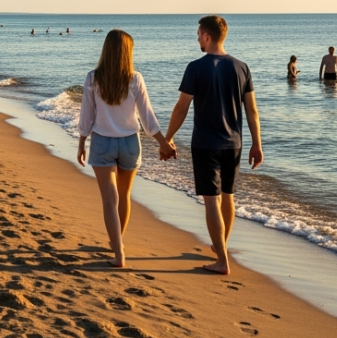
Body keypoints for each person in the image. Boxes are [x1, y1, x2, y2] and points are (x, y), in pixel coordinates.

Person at [162, 16, 263, 275]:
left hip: (206, 144)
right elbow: (251, 111)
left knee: (211, 202)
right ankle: (221, 248)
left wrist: (168, 138)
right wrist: (257, 144)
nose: (197, 38)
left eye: (198, 34)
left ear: (207, 36)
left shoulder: (196, 67)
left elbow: (181, 107)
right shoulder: (242, 67)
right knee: (228, 196)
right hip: (234, 144)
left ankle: (222, 261)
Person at [76, 30, 176, 268]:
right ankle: (117, 242)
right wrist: (163, 142)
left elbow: (86, 116)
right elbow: (147, 118)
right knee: (124, 196)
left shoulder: (93, 78)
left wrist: (81, 142)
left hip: (102, 142)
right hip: (130, 143)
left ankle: (118, 251)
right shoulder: (135, 79)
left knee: (109, 200)